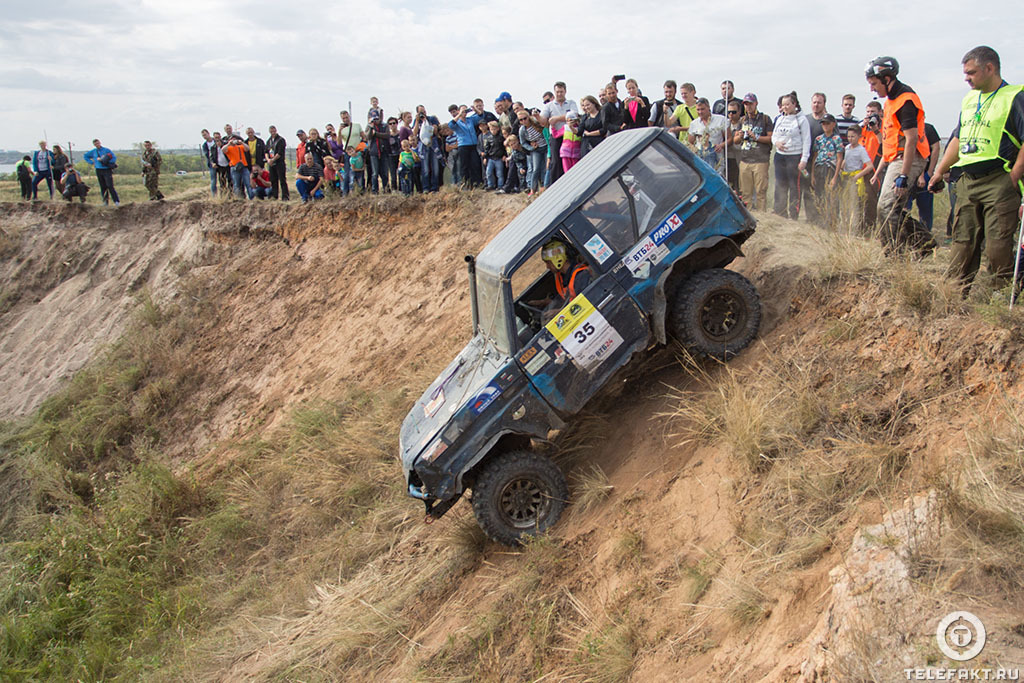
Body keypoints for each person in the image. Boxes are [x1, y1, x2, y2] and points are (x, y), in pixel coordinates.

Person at [929, 45, 1024, 293]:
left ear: (989, 68)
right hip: (967, 181)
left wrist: (1014, 176)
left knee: (998, 246)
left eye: (971, 72)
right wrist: (939, 171)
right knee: (962, 243)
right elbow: (958, 139)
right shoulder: (970, 99)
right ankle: (953, 296)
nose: (966, 78)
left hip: (1000, 181)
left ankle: (999, 298)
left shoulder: (1015, 96)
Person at [865, 55, 932, 251]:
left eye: (874, 83)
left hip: (907, 160)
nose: (872, 89)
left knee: (885, 207)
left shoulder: (906, 100)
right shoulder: (891, 101)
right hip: (896, 159)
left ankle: (893, 253)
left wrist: (904, 174)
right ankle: (924, 243)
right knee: (891, 208)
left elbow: (911, 139)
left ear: (887, 79)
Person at [771, 92, 811, 219]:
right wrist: (776, 142)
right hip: (780, 156)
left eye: (787, 104)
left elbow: (806, 140)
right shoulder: (779, 118)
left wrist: (804, 159)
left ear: (794, 104)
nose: (785, 107)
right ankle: (780, 212)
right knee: (780, 184)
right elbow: (774, 135)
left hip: (795, 156)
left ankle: (794, 214)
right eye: (783, 105)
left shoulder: (801, 120)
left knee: (794, 186)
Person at [735, 93, 774, 211]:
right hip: (745, 160)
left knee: (760, 192)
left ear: (756, 103)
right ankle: (749, 216)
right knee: (746, 192)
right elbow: (735, 140)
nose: (748, 107)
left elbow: (771, 138)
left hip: (760, 160)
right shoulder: (742, 120)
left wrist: (756, 137)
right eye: (746, 104)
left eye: (750, 104)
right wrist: (741, 136)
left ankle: (762, 217)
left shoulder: (765, 119)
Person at [530, 239, 591, 314]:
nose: (547, 267)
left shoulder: (581, 276)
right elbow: (565, 300)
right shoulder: (561, 277)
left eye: (548, 262)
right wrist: (545, 302)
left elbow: (584, 305)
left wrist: (560, 312)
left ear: (558, 259)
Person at [537, 81, 578, 185]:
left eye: (561, 91)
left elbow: (574, 115)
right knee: (555, 160)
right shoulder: (549, 106)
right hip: (556, 136)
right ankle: (555, 184)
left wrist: (556, 118)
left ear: (565, 91)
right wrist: (537, 116)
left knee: (570, 159)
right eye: (557, 92)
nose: (559, 94)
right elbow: (543, 121)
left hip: (569, 135)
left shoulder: (571, 103)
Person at [808, 114, 845, 227]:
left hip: (831, 168)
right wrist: (812, 175)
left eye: (827, 123)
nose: (825, 125)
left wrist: (835, 177)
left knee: (831, 196)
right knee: (819, 195)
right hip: (819, 168)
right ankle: (820, 220)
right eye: (823, 123)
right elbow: (815, 157)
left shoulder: (837, 139)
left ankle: (832, 221)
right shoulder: (818, 139)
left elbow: (839, 158)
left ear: (833, 124)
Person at [905, 123, 941, 230]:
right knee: (904, 208)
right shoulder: (904, 127)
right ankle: (905, 233)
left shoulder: (928, 129)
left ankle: (925, 234)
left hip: (924, 174)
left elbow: (936, 148)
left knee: (925, 208)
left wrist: (929, 172)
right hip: (906, 173)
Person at [840, 124, 875, 232]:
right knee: (844, 203)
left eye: (853, 136)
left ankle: (854, 229)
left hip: (855, 179)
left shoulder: (861, 150)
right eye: (849, 136)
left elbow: (870, 166)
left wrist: (857, 176)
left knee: (854, 205)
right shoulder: (847, 148)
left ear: (859, 136)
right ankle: (844, 228)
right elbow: (845, 160)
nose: (850, 139)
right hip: (845, 176)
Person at [688, 98, 729, 176]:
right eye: (698, 110)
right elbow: (690, 142)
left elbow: (729, 139)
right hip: (701, 158)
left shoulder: (721, 120)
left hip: (717, 157)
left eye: (702, 109)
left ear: (708, 107)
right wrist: (694, 149)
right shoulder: (694, 124)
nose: (700, 112)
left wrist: (721, 145)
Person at [449, 104, 483, 187]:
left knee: (475, 164)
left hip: (473, 145)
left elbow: (481, 116)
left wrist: (475, 109)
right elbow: (451, 125)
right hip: (463, 145)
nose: (464, 112)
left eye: (465, 111)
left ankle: (477, 183)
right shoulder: (457, 122)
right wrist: (459, 114)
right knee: (464, 166)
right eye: (462, 111)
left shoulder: (470, 120)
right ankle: (465, 183)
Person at [83, 138, 120, 206]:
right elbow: (85, 156)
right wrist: (92, 162)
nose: (97, 145)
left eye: (97, 143)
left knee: (110, 186)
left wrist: (106, 161)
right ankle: (105, 202)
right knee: (103, 186)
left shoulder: (106, 150)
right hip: (99, 170)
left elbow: (113, 157)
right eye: (95, 144)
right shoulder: (93, 151)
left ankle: (116, 201)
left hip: (106, 169)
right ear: (94, 145)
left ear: (100, 142)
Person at [518, 111, 546, 195]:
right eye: (521, 120)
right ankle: (532, 189)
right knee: (535, 168)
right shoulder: (522, 130)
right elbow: (523, 143)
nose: (523, 121)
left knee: (545, 168)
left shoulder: (536, 123)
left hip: (544, 146)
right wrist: (531, 147)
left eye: (525, 118)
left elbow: (545, 130)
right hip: (535, 150)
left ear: (528, 117)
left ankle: (545, 186)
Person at [265, 125, 289, 200]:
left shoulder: (280, 140)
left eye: (274, 130)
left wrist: (273, 159)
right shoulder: (268, 141)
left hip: (279, 162)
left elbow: (280, 152)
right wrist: (268, 159)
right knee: (273, 180)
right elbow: (266, 152)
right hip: (271, 164)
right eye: (271, 131)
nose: (272, 132)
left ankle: (285, 196)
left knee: (282, 180)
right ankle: (274, 196)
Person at [482, 120, 506, 190]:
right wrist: (485, 157)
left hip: (499, 158)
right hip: (491, 158)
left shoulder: (501, 137)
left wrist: (504, 155)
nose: (493, 131)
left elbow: (504, 148)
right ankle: (490, 185)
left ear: (498, 129)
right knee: (488, 172)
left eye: (494, 129)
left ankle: (500, 186)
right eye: (491, 129)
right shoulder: (488, 138)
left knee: (499, 173)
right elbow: (487, 149)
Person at [201, 129, 218, 197]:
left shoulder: (216, 141)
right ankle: (214, 195)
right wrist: (212, 162)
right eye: (203, 136)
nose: (204, 136)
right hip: (212, 164)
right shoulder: (205, 145)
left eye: (205, 135)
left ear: (208, 133)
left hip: (220, 162)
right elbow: (207, 155)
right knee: (213, 180)